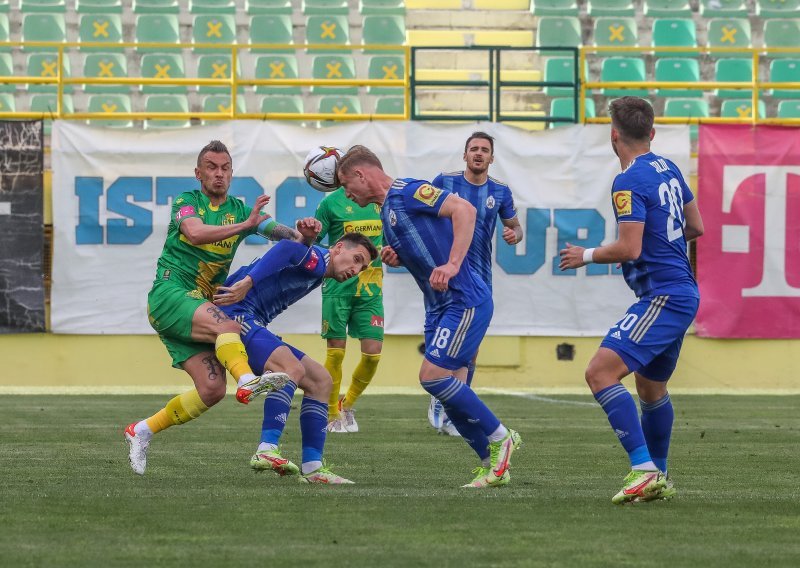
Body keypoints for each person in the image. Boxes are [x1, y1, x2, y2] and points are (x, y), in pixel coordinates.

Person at [336, 145, 521, 488]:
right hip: (439, 309)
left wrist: (452, 265)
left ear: (362, 174)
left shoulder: (407, 190)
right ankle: (492, 466)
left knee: (433, 377)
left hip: (463, 300)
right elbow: (426, 247)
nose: (347, 193)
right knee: (453, 399)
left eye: (348, 185)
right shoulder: (387, 212)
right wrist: (399, 256)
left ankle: (501, 437)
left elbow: (463, 210)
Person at [125, 140, 310, 476]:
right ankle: (248, 380)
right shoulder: (186, 202)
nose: (218, 173)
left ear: (231, 173)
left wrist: (304, 234)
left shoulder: (241, 210)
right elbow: (195, 234)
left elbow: (284, 236)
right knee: (228, 326)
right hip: (170, 293)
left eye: (225, 168)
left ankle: (142, 430)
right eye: (211, 167)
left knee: (211, 391)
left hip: (195, 306)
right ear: (199, 173)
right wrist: (246, 225)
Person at [559, 96, 704, 504]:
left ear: (614, 135)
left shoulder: (628, 180)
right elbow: (696, 226)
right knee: (651, 387)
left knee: (599, 373)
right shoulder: (669, 168)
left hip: (663, 295)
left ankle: (642, 469)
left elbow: (629, 248)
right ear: (652, 133)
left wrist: (583, 255)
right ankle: (659, 475)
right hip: (682, 291)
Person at [215, 228, 379, 483]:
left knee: (321, 381)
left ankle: (313, 468)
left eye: (363, 267)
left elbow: (297, 248)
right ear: (338, 248)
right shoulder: (319, 262)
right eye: (356, 259)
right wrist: (248, 282)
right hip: (235, 315)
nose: (356, 271)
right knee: (290, 368)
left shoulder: (319, 266)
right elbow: (288, 248)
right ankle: (266, 449)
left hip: (251, 318)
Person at [428, 132, 523, 434]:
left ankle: (453, 410)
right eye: (474, 149)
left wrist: (514, 235)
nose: (479, 154)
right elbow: (421, 214)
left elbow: (515, 227)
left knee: (471, 346)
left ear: (492, 158)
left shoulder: (501, 191)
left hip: (480, 276)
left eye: (484, 150)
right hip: (445, 272)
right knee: (439, 332)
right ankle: (439, 392)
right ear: (465, 155)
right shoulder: (444, 182)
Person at [314, 187, 384, 434]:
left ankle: (347, 404)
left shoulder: (379, 199)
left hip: (370, 290)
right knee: (336, 353)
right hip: (337, 288)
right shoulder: (330, 203)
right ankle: (331, 414)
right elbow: (314, 241)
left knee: (373, 354)